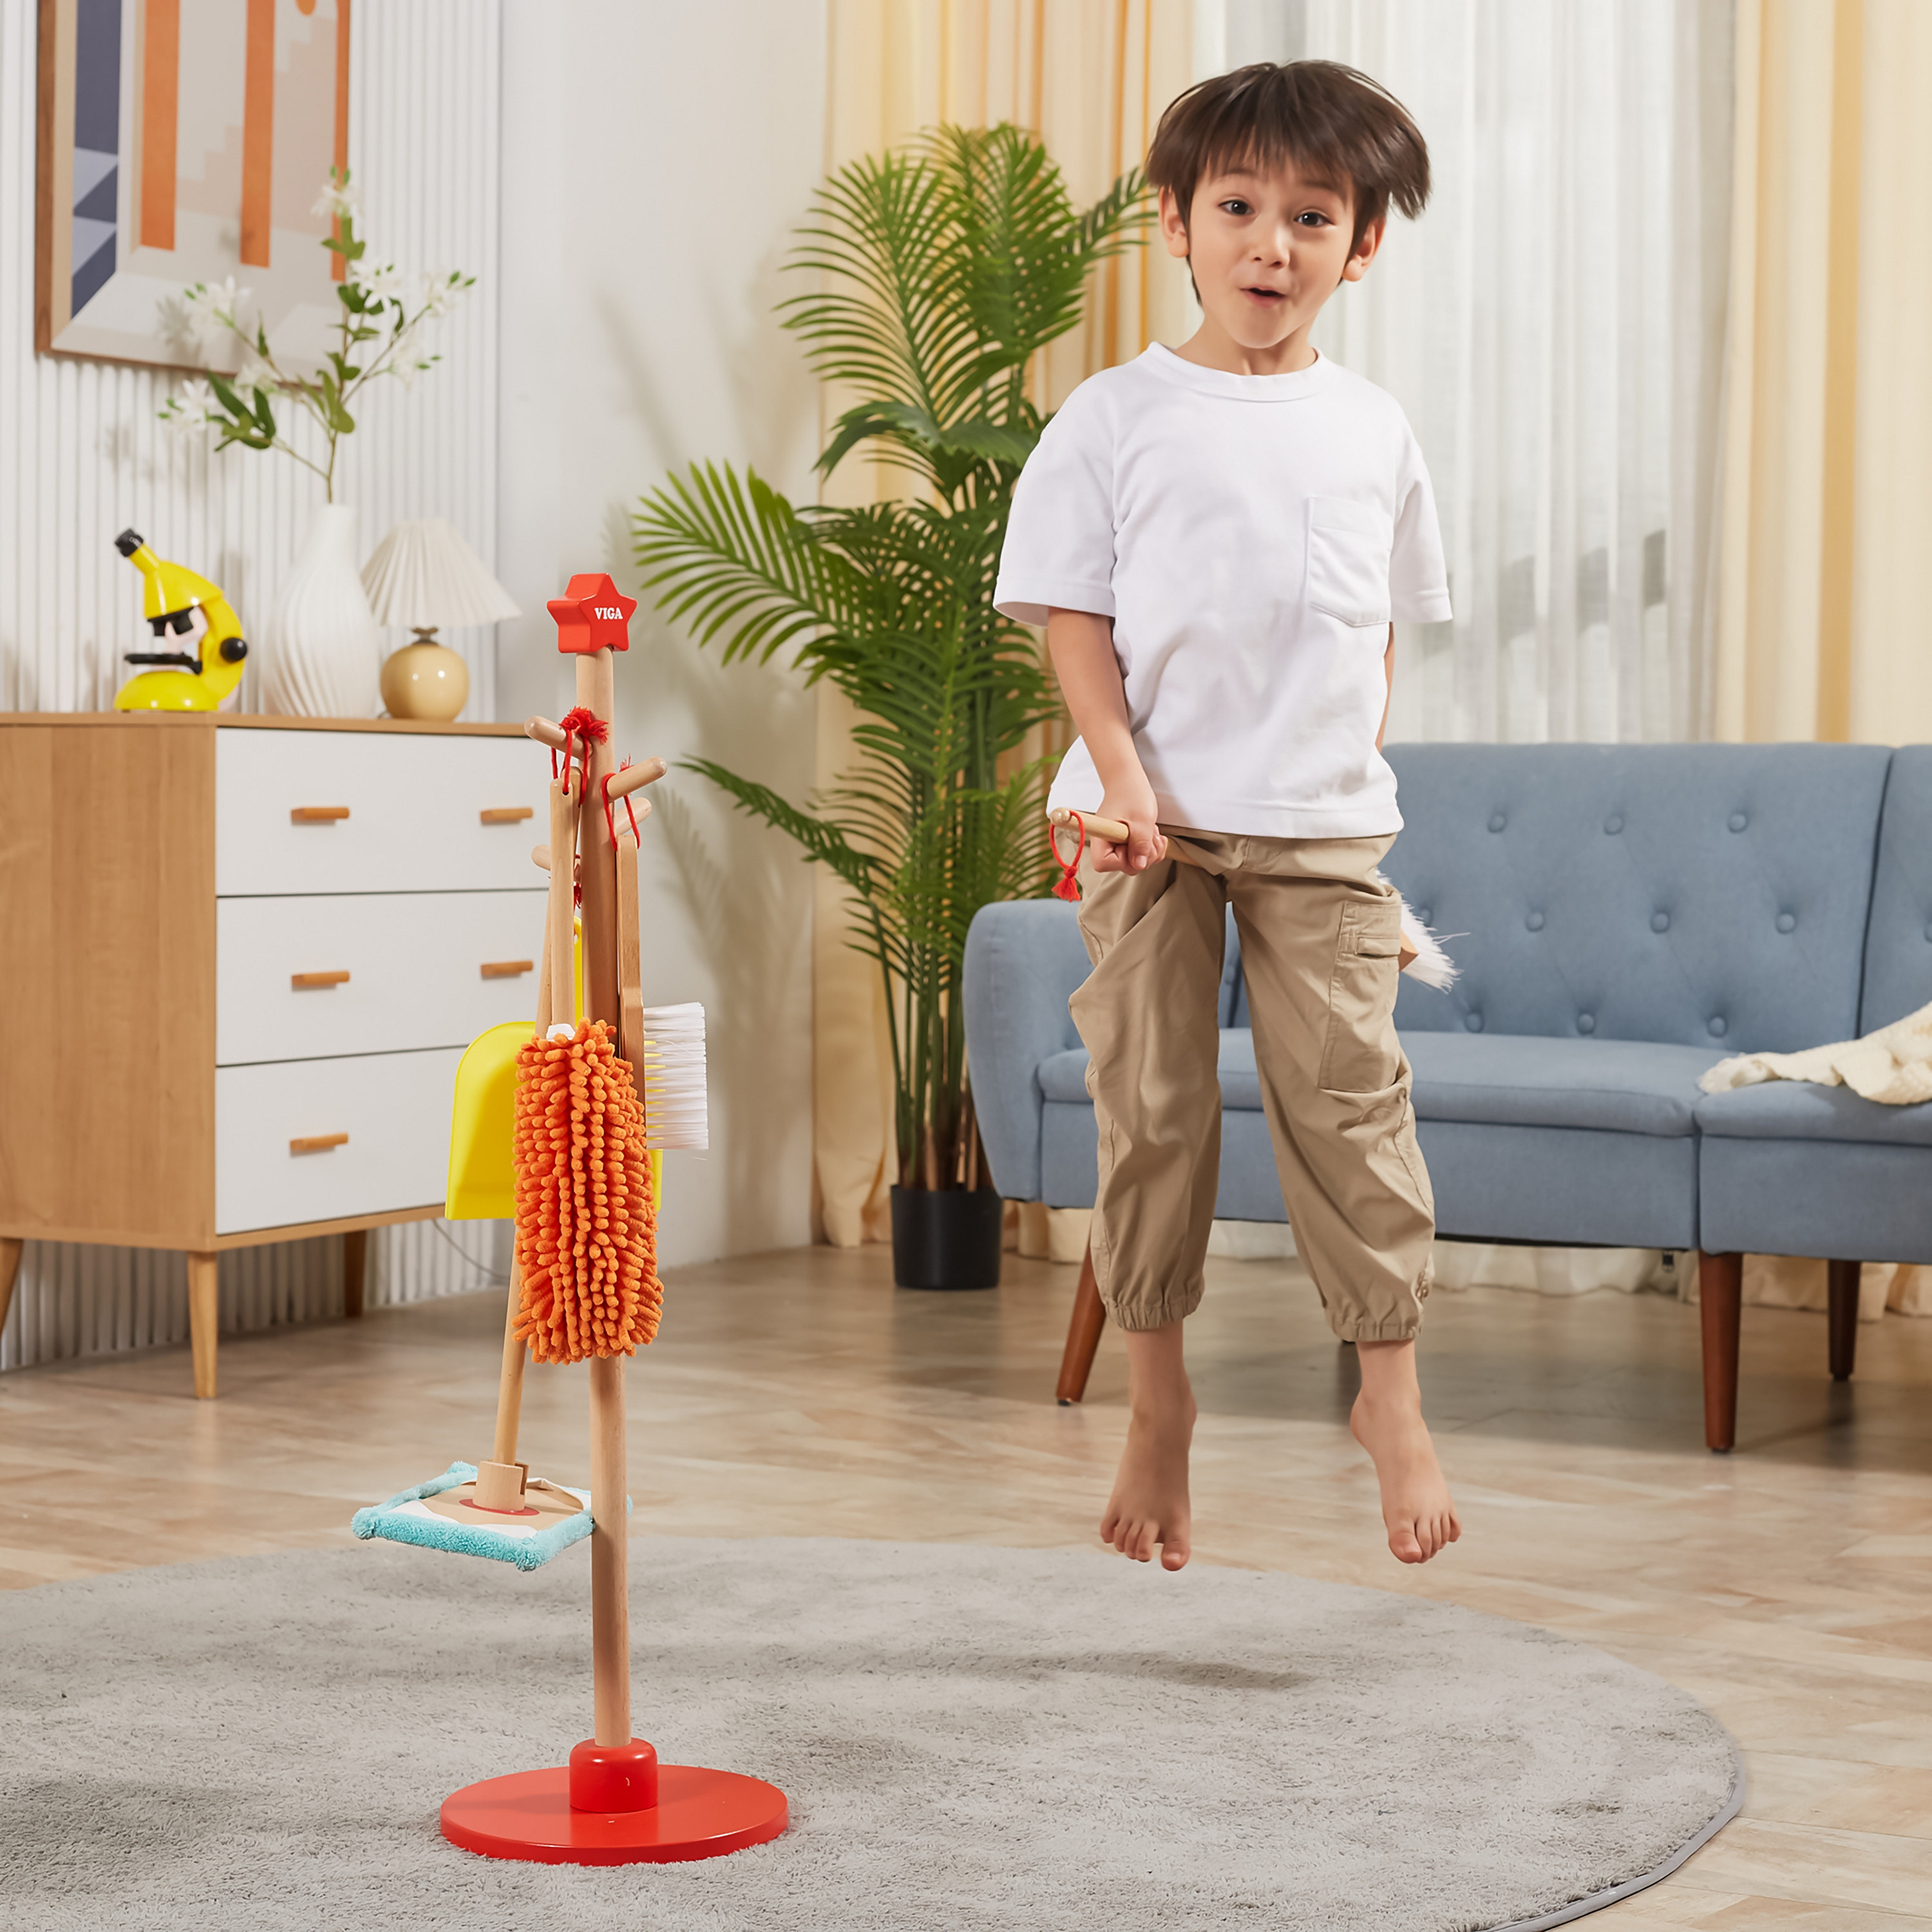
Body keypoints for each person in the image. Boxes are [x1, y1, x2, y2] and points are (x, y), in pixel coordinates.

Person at [994, 61, 1462, 1571]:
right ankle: (1159, 1400)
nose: (1273, 244)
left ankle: (1389, 1396)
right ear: (1176, 221)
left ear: (1363, 244)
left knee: (1351, 1106)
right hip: (1144, 826)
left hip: (1321, 834)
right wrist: (1121, 779)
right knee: (1155, 1110)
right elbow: (1074, 619)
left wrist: (1338, 773)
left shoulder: (1375, 430)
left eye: (1313, 217)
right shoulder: (1114, 418)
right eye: (1241, 208)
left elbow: (1372, 637)